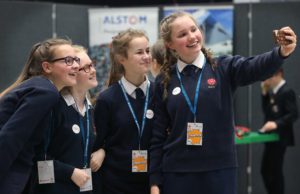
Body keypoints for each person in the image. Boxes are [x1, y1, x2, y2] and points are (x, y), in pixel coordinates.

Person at [149, 11, 297, 194]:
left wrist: (281, 53)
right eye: (182, 34)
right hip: (177, 173)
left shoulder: (223, 68)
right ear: (170, 44)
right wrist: (154, 181)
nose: (192, 37)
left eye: (194, 29)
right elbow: (157, 134)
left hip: (219, 170)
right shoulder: (164, 80)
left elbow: (255, 66)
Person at [0, 38, 79, 194]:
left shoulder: (39, 86)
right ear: (47, 67)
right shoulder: (46, 92)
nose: (76, 65)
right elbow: (11, 137)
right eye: (68, 61)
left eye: (76, 59)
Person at [30, 45, 104, 194]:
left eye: (92, 65)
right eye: (87, 67)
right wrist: (69, 172)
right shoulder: (55, 107)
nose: (93, 70)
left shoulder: (91, 109)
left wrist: (102, 151)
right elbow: (37, 156)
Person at [93, 28, 154, 194]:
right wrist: (102, 150)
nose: (147, 56)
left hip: (153, 182)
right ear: (121, 59)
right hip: (116, 183)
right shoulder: (107, 99)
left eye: (148, 51)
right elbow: (100, 142)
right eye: (139, 52)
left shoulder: (160, 93)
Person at [260, 68, 298, 194]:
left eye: (270, 77)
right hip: (271, 138)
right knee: (267, 171)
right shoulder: (274, 92)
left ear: (279, 75)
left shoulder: (287, 91)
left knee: (274, 173)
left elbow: (293, 114)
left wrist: (276, 124)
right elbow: (267, 112)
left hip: (280, 138)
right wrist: (264, 94)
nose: (268, 81)